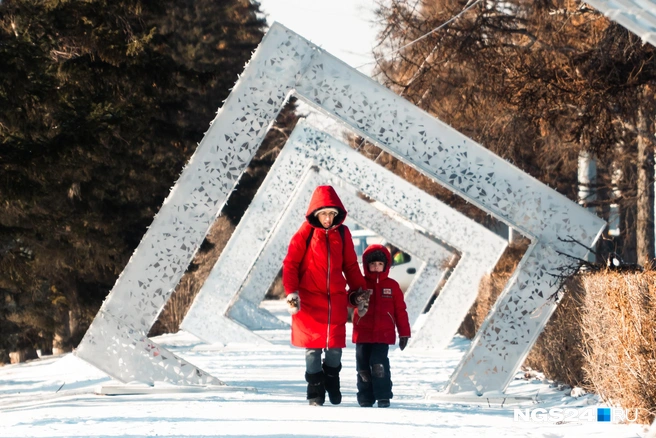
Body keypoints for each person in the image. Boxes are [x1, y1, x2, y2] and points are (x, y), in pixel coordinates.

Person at [282, 185, 368, 406]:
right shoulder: (306, 232)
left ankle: (331, 379)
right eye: (324, 214)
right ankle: (315, 390)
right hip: (309, 300)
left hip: (335, 301)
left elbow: (350, 265)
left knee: (335, 351)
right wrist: (291, 293)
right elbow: (291, 264)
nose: (328, 218)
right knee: (312, 350)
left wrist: (360, 291)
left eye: (331, 214)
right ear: (316, 214)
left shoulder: (343, 233)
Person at [351, 244, 411, 408]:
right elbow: (347, 301)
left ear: (385, 265)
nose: (376, 267)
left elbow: (400, 311)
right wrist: (356, 298)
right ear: (366, 265)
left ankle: (383, 395)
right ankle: (365, 397)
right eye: (372, 264)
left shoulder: (392, 286)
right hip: (363, 333)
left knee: (379, 365)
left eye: (379, 264)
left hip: (382, 334)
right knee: (363, 367)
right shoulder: (360, 283)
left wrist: (404, 333)